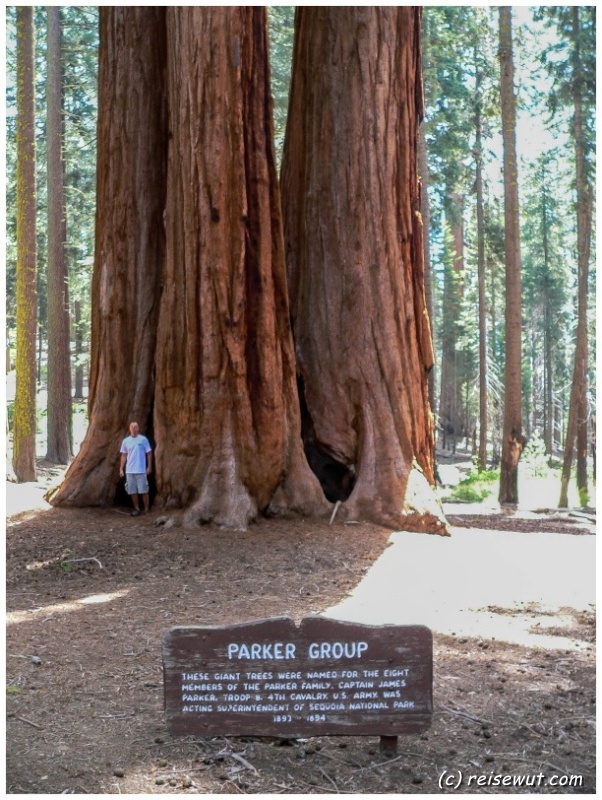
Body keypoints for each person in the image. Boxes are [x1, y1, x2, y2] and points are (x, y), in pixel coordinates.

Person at [119, 421, 152, 516]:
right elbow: (124, 455)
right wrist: (121, 469)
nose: (134, 429)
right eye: (132, 427)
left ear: (138, 428)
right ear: (129, 429)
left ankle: (146, 509)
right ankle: (137, 509)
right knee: (132, 491)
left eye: (135, 427)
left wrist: (149, 466)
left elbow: (149, 453)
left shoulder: (143, 439)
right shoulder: (126, 441)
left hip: (141, 470)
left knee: (144, 491)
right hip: (129, 470)